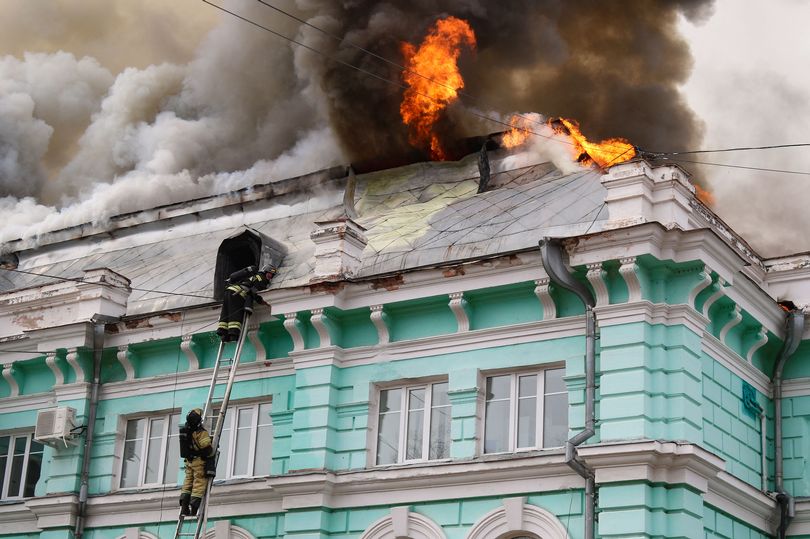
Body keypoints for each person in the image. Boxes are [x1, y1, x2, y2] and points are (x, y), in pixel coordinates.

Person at [216, 264, 276, 342]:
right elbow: (254, 292)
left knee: (226, 312)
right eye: (270, 274)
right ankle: (233, 334)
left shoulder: (253, 275)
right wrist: (262, 301)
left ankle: (223, 333)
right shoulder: (262, 279)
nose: (270, 276)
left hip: (228, 291)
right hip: (238, 294)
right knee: (235, 314)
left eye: (272, 275)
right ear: (265, 272)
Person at [179, 408, 212, 516]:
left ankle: (184, 507)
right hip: (198, 462)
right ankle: (194, 509)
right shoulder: (200, 432)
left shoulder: (186, 431)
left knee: (188, 483)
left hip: (189, 462)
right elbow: (207, 450)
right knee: (199, 483)